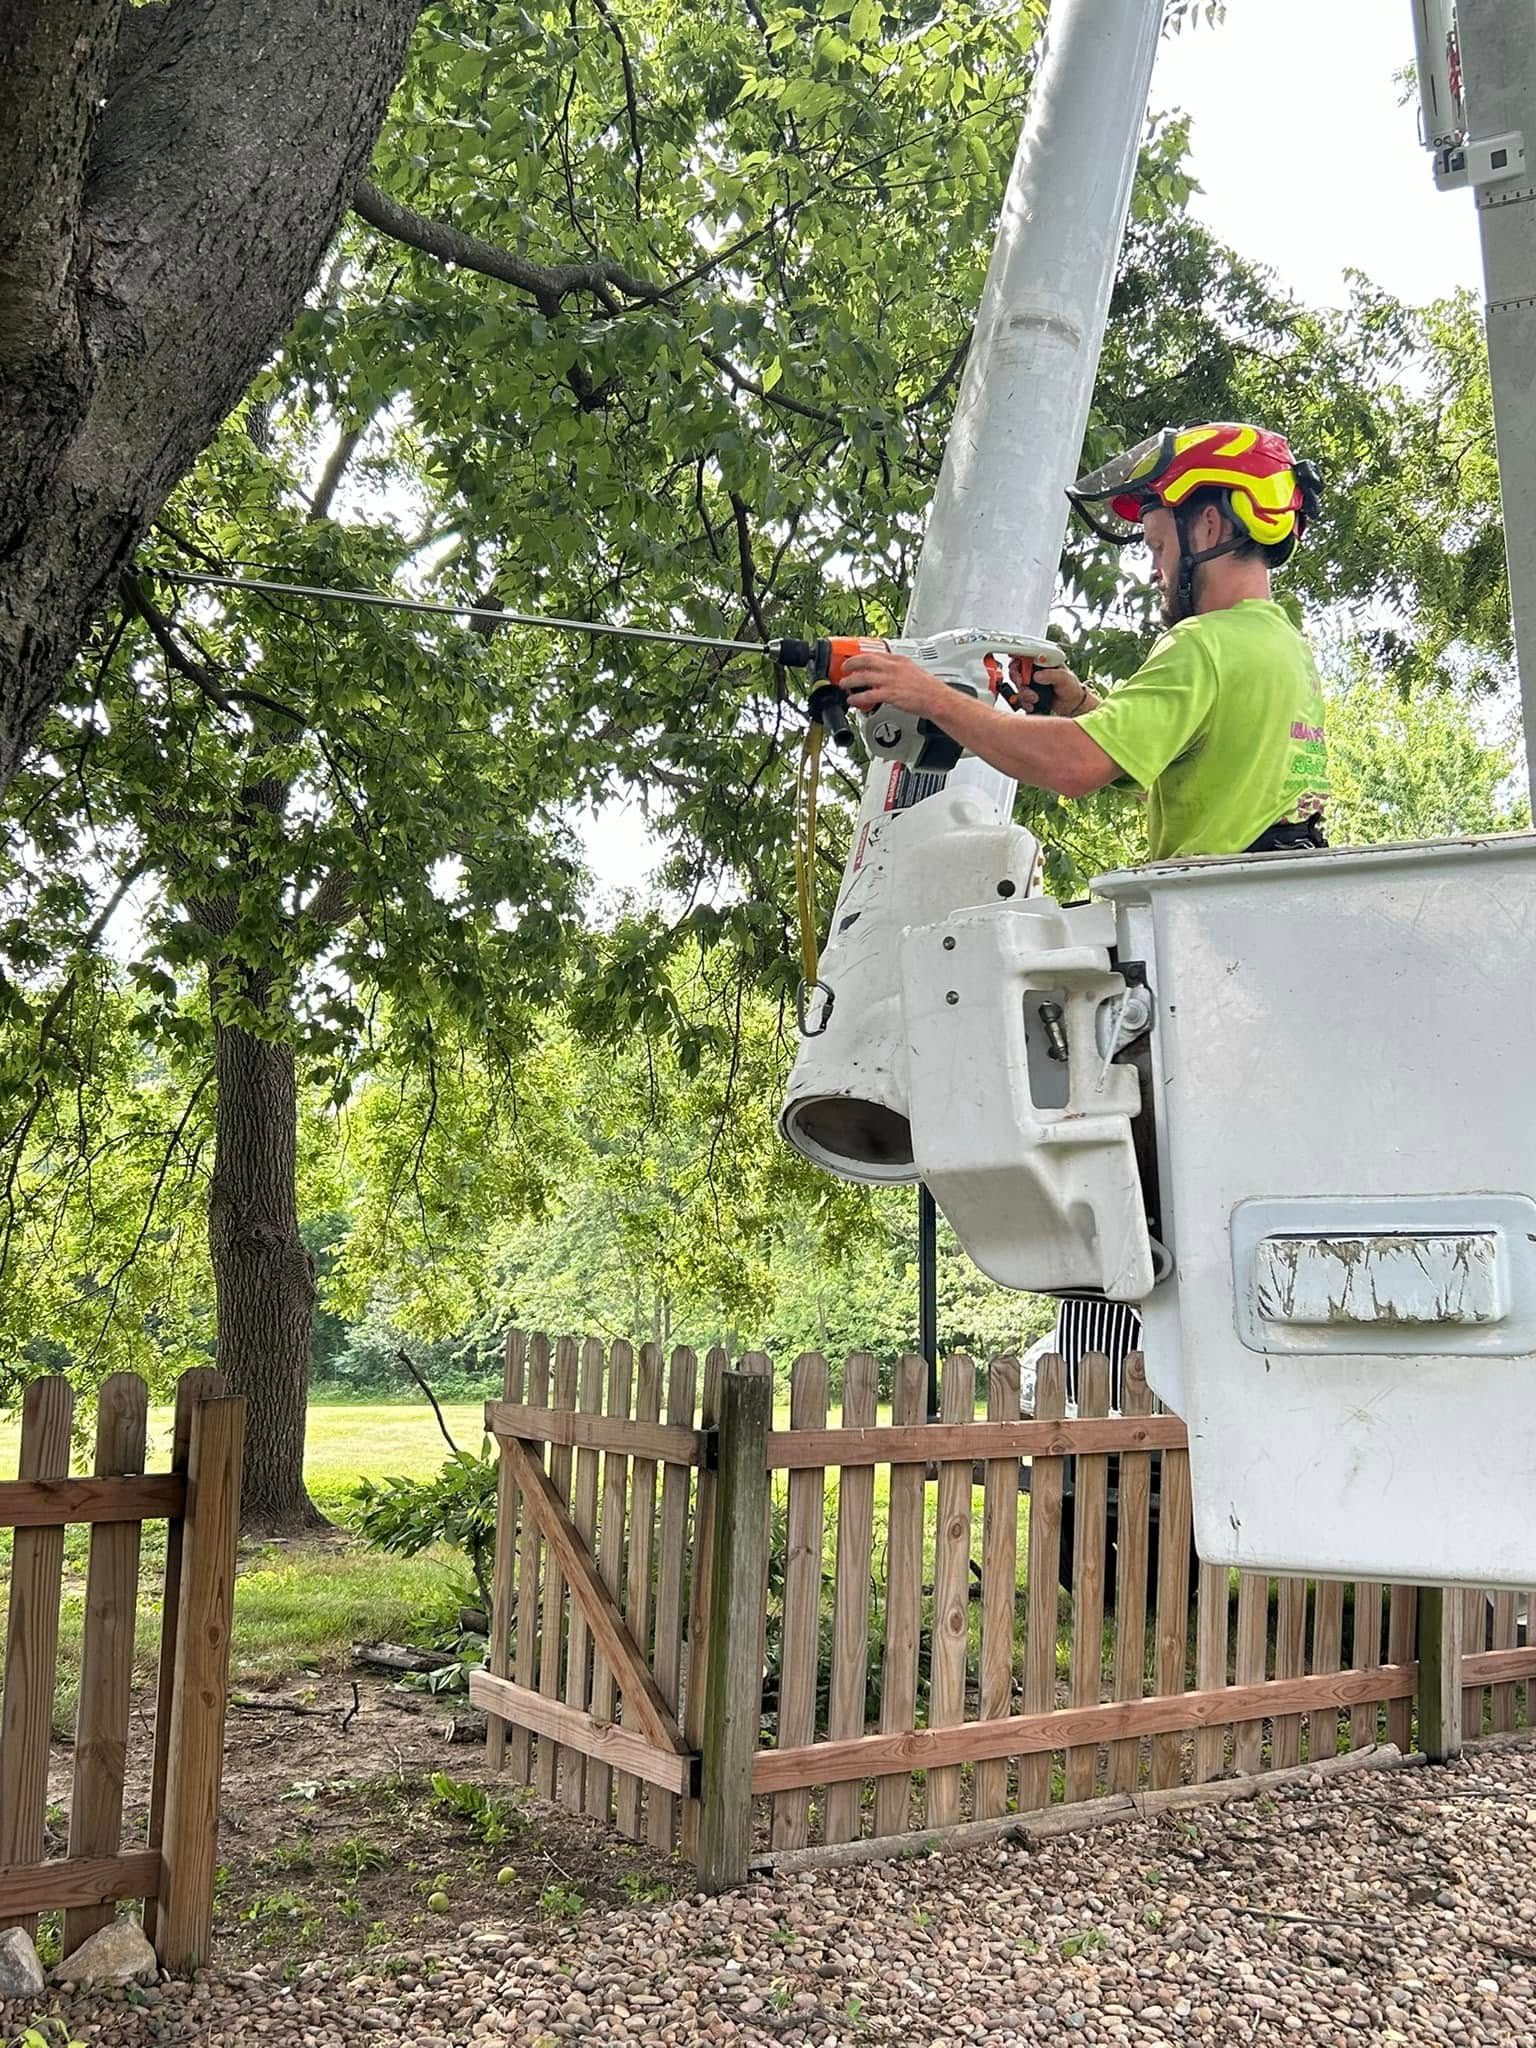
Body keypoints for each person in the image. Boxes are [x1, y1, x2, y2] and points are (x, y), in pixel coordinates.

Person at [841, 423, 1331, 862]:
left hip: (1208, 933)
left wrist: (930, 695)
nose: (1155, 571)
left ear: (1209, 526)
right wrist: (1079, 707)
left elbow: (1074, 767)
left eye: (1159, 546)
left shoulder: (1205, 644)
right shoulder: (1287, 650)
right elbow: (1205, 782)